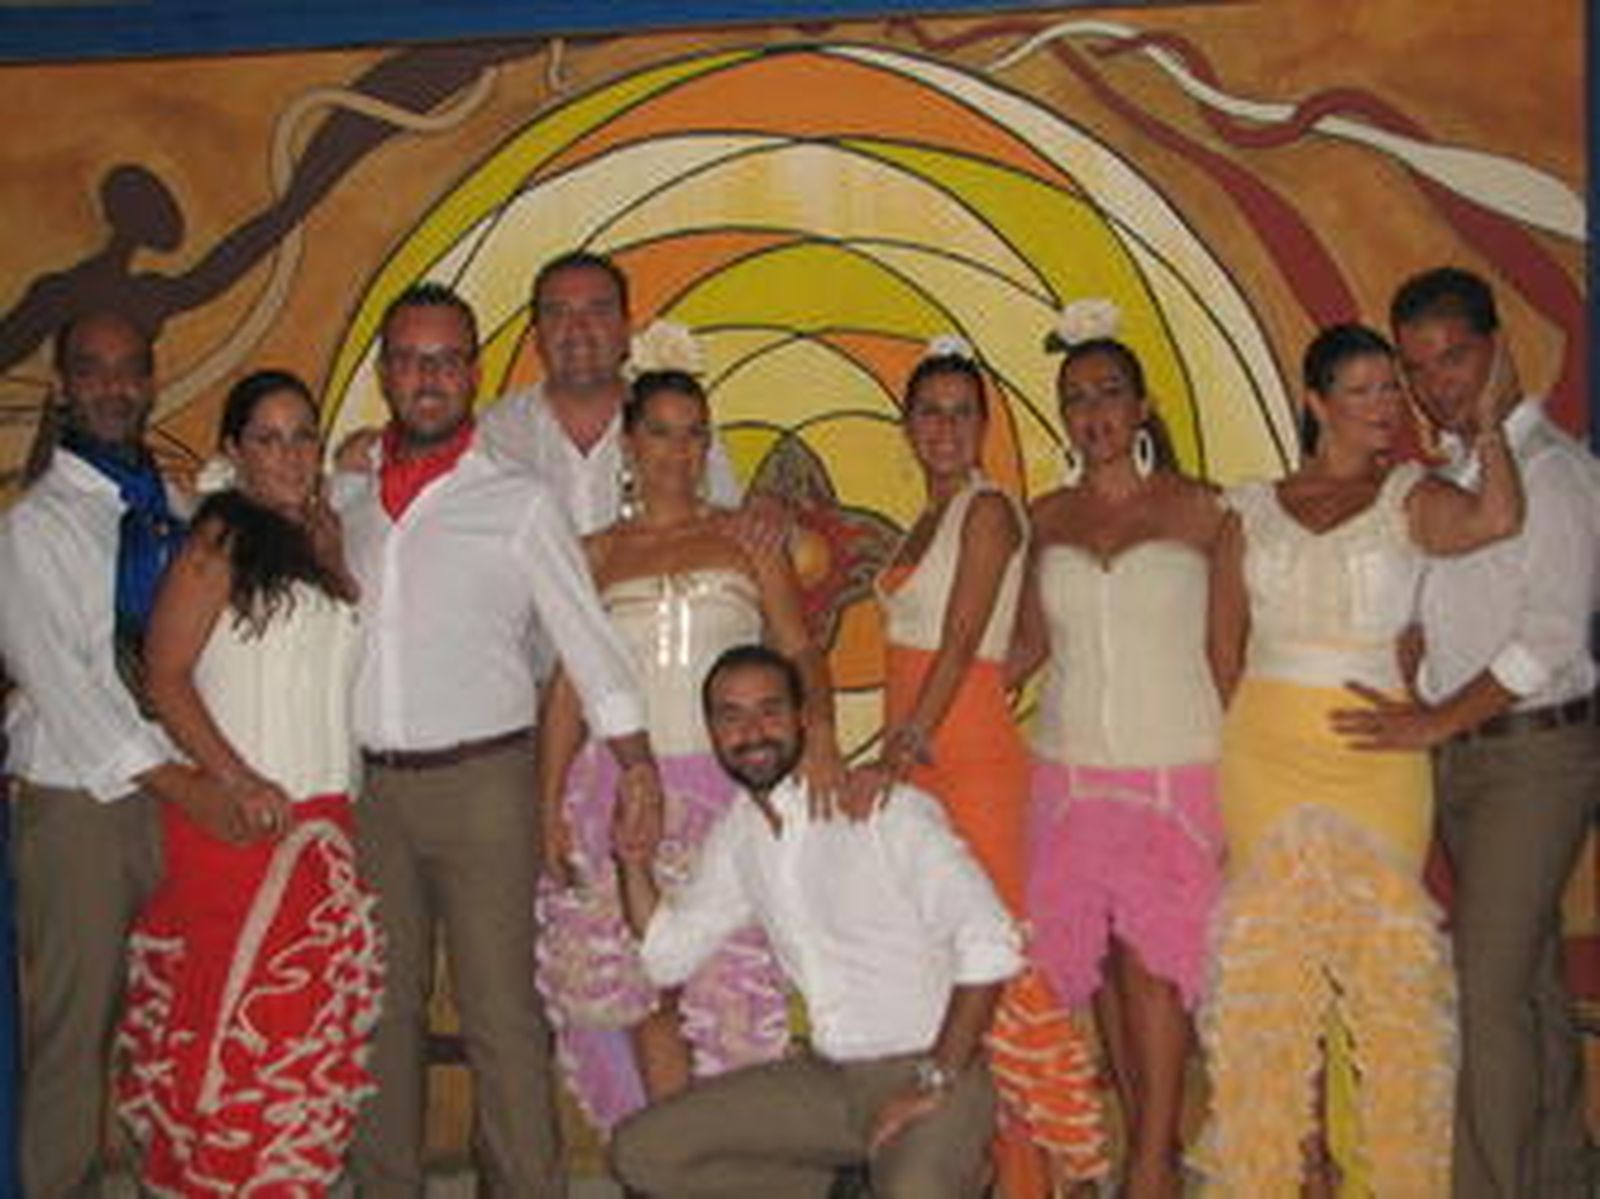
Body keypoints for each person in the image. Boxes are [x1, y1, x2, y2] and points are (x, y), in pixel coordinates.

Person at [341, 282, 661, 1196]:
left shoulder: (518, 502)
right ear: (384, 373)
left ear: (474, 372)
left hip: (485, 785)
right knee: (381, 1012)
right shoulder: (347, 496)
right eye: (411, 359)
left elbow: (587, 640)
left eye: (447, 360)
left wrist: (636, 762)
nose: (428, 377)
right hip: (370, 792)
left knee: (501, 1016)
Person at [1201, 321, 1523, 1195]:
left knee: (1390, 987)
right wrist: (1261, 730)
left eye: (1392, 387)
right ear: (1318, 402)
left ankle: (1402, 1177)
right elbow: (1222, 647)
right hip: (1265, 757)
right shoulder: (1249, 506)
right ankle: (1284, 1172)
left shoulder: (1411, 494)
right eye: (1365, 389)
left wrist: (1489, 425)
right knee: (1271, 984)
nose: (1388, 405)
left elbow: (1498, 518)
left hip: (1377, 761)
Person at [1333, 267, 1600, 1197]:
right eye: (1417, 368)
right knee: (1527, 985)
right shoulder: (1444, 477)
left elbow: (1550, 641)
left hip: (1537, 755)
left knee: (1485, 992)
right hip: (1465, 760)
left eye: (1453, 358)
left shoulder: (1557, 472)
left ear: (1496, 348)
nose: (1436, 383)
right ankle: (1561, 1176)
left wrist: (1433, 720)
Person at [536, 368, 845, 1133]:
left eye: (694, 433)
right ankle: (665, 1161)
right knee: (640, 990)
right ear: (629, 444)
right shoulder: (592, 554)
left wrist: (821, 740)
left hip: (728, 791)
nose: (678, 451)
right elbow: (569, 691)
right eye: (660, 431)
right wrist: (546, 808)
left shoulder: (747, 539)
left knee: (725, 987)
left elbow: (799, 651)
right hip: (618, 788)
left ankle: (724, 1162)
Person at [610, 644, 1021, 1198]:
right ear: (712, 732)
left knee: (913, 1191)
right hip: (828, 1081)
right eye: (731, 716)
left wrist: (936, 1078)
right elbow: (666, 957)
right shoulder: (740, 834)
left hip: (930, 1069)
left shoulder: (882, 809)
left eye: (770, 711)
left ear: (804, 718)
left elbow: (992, 941)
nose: (752, 732)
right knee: (643, 1153)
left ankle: (948, 1175)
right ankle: (844, 1188)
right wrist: (632, 861)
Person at [115, 369, 382, 1193]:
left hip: (324, 827)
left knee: (304, 1047)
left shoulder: (317, 540)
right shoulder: (219, 538)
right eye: (267, 438)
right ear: (234, 451)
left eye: (303, 436)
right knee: (236, 1042)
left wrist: (335, 547)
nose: (290, 454)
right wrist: (235, 782)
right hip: (242, 828)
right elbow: (164, 676)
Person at [0, 310, 239, 1194]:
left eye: (130, 368)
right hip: (83, 805)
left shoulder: (177, 512)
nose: (113, 386)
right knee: (75, 1028)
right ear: (63, 386)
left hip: (182, 804)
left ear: (151, 381)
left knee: (168, 1026)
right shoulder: (36, 527)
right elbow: (64, 686)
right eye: (92, 369)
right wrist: (182, 781)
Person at [872, 344, 1106, 1193]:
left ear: (983, 425)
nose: (944, 427)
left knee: (999, 961)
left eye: (960, 412)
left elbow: (963, 638)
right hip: (927, 745)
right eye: (929, 411)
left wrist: (908, 742)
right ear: (907, 425)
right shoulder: (923, 517)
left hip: (962, 760)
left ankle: (1049, 1172)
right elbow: (1014, 642)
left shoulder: (989, 509)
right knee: (945, 965)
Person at [1006, 328, 1226, 1198]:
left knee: (1156, 965)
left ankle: (1153, 1164)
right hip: (1069, 774)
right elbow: (1024, 646)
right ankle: (1145, 1145)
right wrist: (927, 713)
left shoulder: (1205, 510)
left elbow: (1232, 649)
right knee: (1097, 971)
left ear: (1142, 406)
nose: (1093, 412)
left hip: (1176, 769)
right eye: (1076, 399)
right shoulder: (1045, 518)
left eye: (1108, 393)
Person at [477, 250, 740, 531]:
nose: (578, 328)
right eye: (558, 312)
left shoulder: (680, 427)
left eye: (598, 311)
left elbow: (730, 528)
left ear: (626, 330)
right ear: (537, 336)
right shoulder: (492, 434)